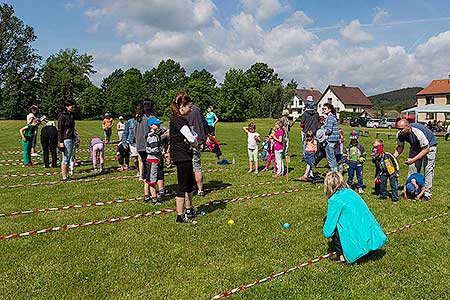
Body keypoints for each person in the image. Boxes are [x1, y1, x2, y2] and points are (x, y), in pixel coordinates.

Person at [322, 172, 387, 264]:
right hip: (370, 234)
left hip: (356, 237)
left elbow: (328, 232)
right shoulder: (351, 192)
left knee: (329, 221)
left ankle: (342, 256)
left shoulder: (334, 200)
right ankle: (369, 248)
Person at [170, 91, 199, 224]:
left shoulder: (180, 119)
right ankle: (180, 216)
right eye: (189, 106)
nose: (190, 108)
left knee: (188, 184)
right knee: (182, 185)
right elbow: (191, 138)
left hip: (184, 154)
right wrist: (195, 142)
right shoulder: (178, 120)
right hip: (181, 155)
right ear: (182, 106)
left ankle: (189, 209)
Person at [394, 119, 437, 200]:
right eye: (398, 129)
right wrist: (392, 157)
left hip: (429, 146)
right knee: (412, 169)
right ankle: (411, 190)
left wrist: (412, 160)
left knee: (428, 169)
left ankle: (427, 193)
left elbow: (426, 149)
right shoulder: (400, 134)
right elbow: (400, 147)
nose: (400, 131)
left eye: (401, 129)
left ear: (408, 127)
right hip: (415, 147)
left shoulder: (417, 133)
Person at [186, 104, 208, 197]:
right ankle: (200, 190)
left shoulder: (182, 110)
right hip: (197, 140)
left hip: (187, 140)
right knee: (197, 166)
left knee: (188, 166)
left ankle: (191, 188)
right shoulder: (197, 109)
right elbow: (205, 124)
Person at [144, 117, 164, 205]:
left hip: (150, 159)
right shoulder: (153, 137)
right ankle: (154, 199)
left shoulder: (152, 135)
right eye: (157, 124)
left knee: (147, 179)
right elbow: (154, 149)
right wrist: (161, 150)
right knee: (152, 181)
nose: (159, 125)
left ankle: (146, 196)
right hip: (154, 160)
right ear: (151, 126)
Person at [58, 100, 76, 181]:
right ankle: (64, 177)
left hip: (71, 137)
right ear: (66, 107)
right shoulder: (62, 116)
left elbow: (72, 128)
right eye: (71, 107)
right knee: (65, 157)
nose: (73, 108)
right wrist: (61, 141)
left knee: (69, 158)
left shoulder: (71, 115)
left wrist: (75, 137)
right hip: (66, 138)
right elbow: (60, 130)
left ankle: (67, 175)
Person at [323, 103, 339, 172]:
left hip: (331, 140)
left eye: (325, 109)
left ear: (329, 110)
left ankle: (334, 173)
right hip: (334, 140)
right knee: (331, 157)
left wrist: (322, 132)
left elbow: (329, 130)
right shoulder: (333, 117)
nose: (323, 110)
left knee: (331, 158)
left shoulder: (330, 118)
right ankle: (333, 172)